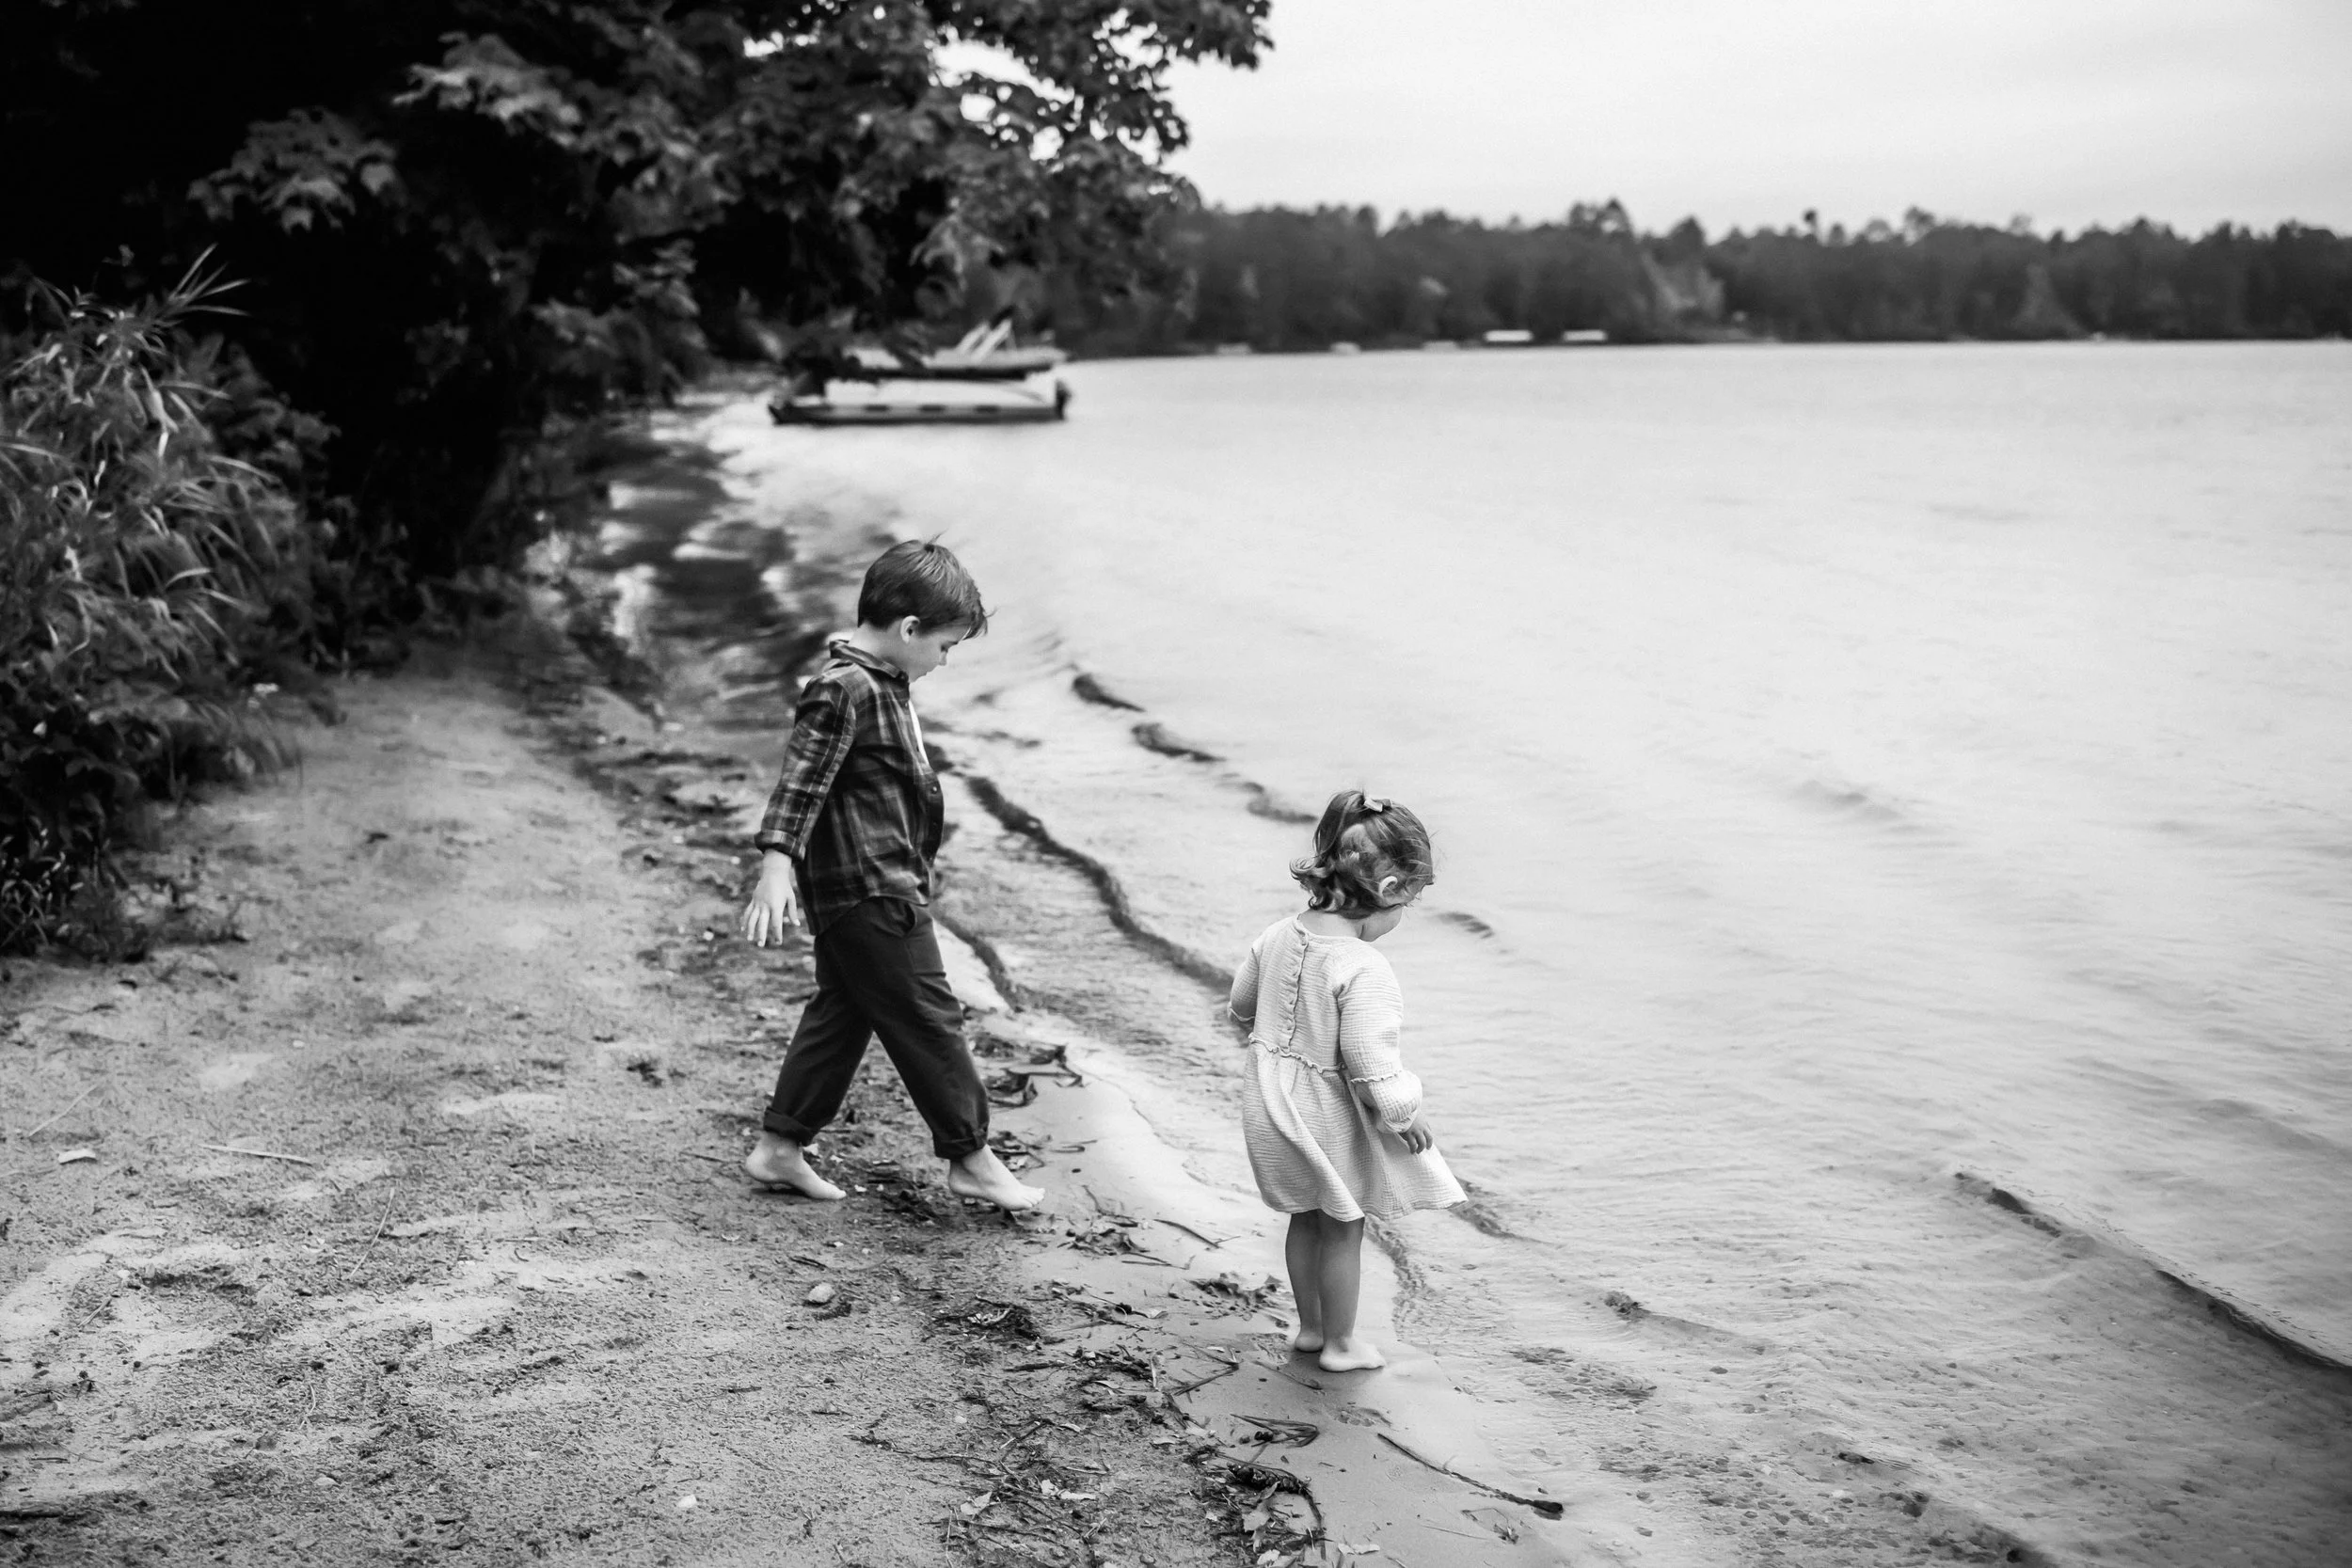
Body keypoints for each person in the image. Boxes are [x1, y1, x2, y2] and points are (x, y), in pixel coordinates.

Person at [737, 540, 1042, 1212]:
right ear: (909, 629)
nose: (943, 661)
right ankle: (971, 1155)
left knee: (843, 1011)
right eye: (945, 647)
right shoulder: (845, 688)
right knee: (931, 1016)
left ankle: (780, 1146)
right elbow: (800, 782)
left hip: (876, 881)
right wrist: (776, 865)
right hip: (870, 886)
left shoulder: (874, 676)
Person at [1229, 790, 1465, 1371]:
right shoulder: (1364, 966)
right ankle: (1340, 1344)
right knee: (1343, 1223)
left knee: (1305, 1215)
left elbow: (1241, 1003)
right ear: (1386, 893)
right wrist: (1403, 1109)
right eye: (1405, 904)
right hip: (1323, 1111)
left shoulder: (1278, 934)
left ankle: (1310, 1330)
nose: (1400, 921)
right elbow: (1369, 1058)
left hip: (1268, 1100)